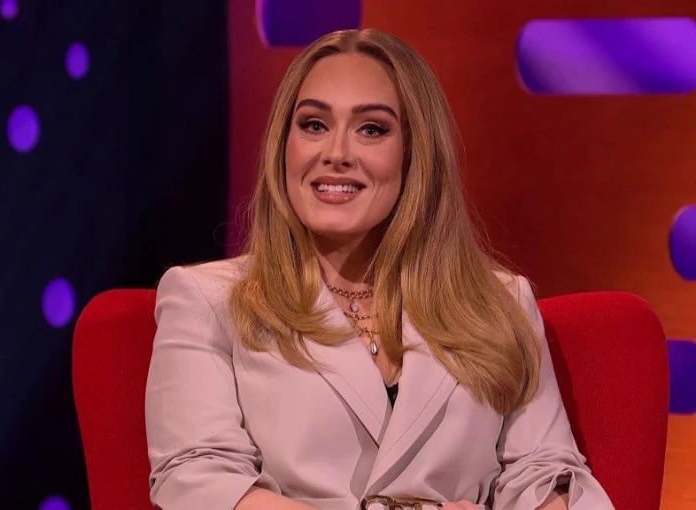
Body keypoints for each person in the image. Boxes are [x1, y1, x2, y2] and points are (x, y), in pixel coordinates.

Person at [144, 28, 615, 510]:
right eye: (313, 124)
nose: (336, 153)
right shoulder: (207, 300)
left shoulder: (501, 304)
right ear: (283, 145)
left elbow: (547, 473)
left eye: (371, 129)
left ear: (415, 154)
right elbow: (198, 480)